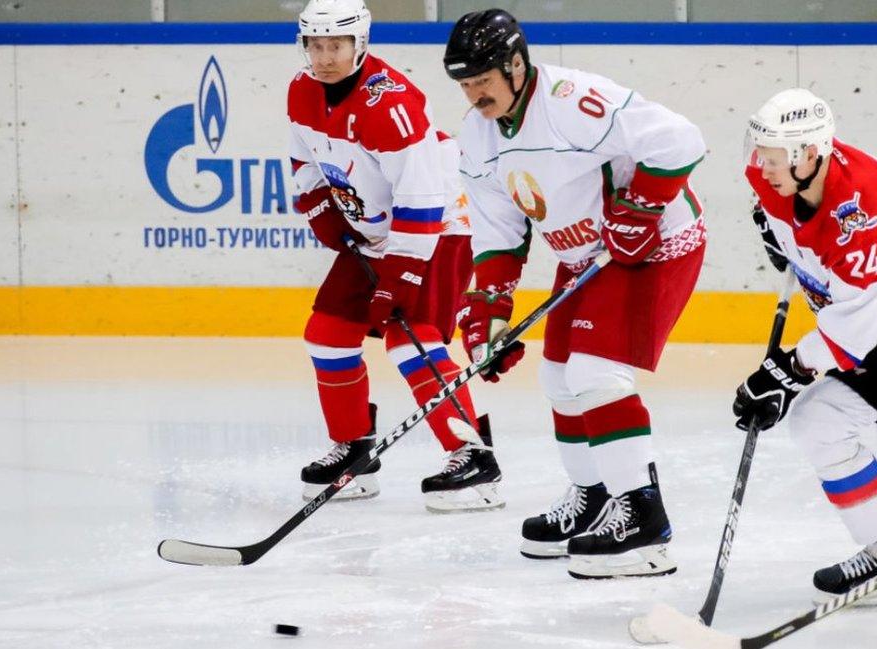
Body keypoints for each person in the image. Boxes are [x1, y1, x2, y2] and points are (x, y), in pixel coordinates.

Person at [443, 9, 707, 578]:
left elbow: (682, 140)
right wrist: (489, 310)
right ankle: (592, 497)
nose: (474, 95)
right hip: (585, 256)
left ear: (516, 66)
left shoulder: (571, 99)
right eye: (464, 85)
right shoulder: (477, 134)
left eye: (482, 81)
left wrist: (640, 208)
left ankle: (643, 521)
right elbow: (498, 232)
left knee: (595, 373)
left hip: (654, 245)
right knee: (558, 376)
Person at [735, 87, 877, 604]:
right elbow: (780, 216)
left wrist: (786, 373)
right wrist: (779, 236)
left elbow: (854, 331)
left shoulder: (865, 213)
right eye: (760, 152)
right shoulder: (777, 173)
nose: (761, 166)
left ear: (809, 154)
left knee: (820, 420)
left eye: (772, 157)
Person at [288, 0, 503, 513]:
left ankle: (473, 457)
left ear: (359, 43)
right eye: (315, 45)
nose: (325, 57)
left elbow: (424, 194)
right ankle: (354, 452)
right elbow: (303, 153)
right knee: (327, 333)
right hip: (376, 229)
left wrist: (401, 274)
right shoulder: (301, 90)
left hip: (437, 224)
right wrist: (317, 202)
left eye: (335, 45)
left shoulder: (391, 104)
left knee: (411, 340)